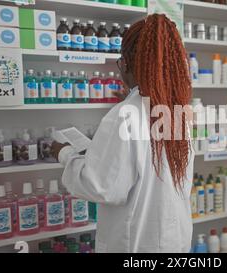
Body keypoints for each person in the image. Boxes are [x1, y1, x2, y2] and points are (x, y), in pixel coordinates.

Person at [51, 14, 194, 253]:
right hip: (174, 240)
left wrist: (65, 153)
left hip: (137, 245)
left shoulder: (124, 114)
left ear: (126, 63)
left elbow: (102, 187)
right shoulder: (176, 110)